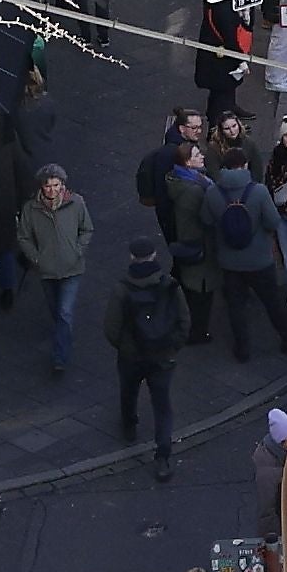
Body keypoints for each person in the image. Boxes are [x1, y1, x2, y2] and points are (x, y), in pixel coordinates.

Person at [107, 233, 189, 472]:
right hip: (162, 356)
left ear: (132, 257)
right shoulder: (169, 284)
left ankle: (129, 425)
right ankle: (162, 455)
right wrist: (173, 346)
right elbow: (184, 321)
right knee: (162, 404)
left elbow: (111, 328)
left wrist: (125, 348)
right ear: (154, 255)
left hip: (132, 357)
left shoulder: (122, 289)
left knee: (129, 391)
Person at [15, 168, 97, 378]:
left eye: (56, 185)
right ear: (41, 187)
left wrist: (77, 251)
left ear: (63, 185)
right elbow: (24, 237)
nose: (52, 190)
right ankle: (63, 332)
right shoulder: (31, 209)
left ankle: (60, 356)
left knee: (64, 312)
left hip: (72, 269)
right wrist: (36, 258)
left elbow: (86, 229)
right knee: (57, 309)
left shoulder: (76, 203)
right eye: (48, 185)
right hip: (47, 270)